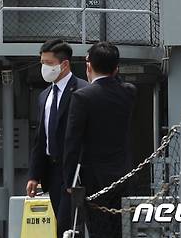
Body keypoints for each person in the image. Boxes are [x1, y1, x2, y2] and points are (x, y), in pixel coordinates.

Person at [63, 41, 136, 238]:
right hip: (123, 174)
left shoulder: (82, 97)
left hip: (94, 178)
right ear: (116, 68)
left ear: (89, 66)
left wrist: (69, 180)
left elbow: (72, 142)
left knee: (98, 230)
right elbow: (118, 82)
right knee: (121, 229)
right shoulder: (128, 92)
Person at [26, 40, 88, 236]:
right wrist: (34, 175)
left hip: (74, 170)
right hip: (51, 171)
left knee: (67, 225)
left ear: (64, 64)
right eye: (42, 62)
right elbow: (40, 137)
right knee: (63, 224)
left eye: (49, 63)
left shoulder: (82, 90)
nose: (44, 67)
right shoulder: (44, 95)